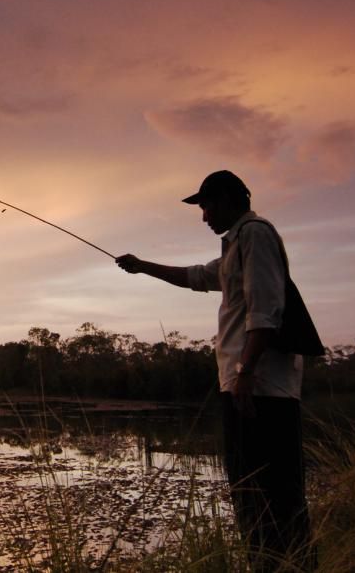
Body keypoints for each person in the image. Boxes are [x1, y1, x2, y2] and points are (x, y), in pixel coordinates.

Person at [116, 170, 312, 571]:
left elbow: (266, 309)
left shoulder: (255, 234)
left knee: (272, 491)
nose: (203, 216)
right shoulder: (235, 246)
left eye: (205, 205)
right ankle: (267, 564)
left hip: (261, 388)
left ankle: (288, 564)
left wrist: (245, 372)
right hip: (246, 384)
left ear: (225, 199)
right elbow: (195, 277)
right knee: (249, 490)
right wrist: (141, 266)